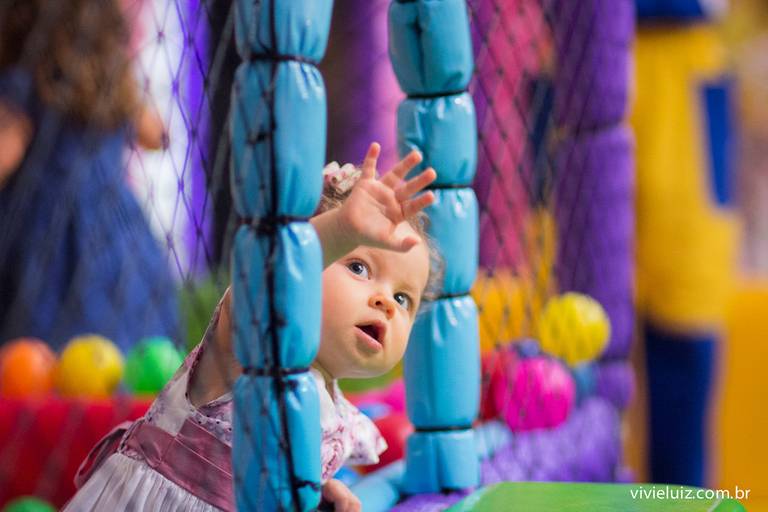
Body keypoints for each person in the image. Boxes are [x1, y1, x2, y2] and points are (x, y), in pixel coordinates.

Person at [64, 142, 441, 512]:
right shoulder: (251, 339)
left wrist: (313, 494)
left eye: (404, 298)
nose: (386, 303)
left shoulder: (332, 410)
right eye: (359, 267)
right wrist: (341, 230)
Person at [0, 0, 179, 351]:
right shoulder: (112, 77)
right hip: (117, 232)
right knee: (122, 354)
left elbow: (8, 148)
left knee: (38, 359)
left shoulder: (23, 76)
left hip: (39, 233)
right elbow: (157, 136)